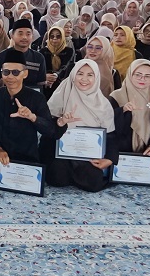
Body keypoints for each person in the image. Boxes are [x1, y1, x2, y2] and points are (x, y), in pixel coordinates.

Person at [0, 48, 58, 191]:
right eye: (6, 72)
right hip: (0, 154)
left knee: (31, 184)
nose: (10, 77)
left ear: (25, 73)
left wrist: (32, 117)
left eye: (15, 72)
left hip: (26, 155)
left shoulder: (37, 98)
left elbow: (50, 130)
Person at [45, 59, 118, 192]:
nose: (84, 79)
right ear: (73, 75)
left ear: (96, 77)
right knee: (57, 178)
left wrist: (110, 159)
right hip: (61, 152)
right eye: (80, 73)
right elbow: (47, 129)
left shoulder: (104, 104)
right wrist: (61, 122)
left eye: (90, 75)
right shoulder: (62, 95)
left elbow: (111, 135)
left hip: (88, 155)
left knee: (94, 182)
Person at [110, 59, 150, 156]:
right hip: (120, 151)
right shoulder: (116, 96)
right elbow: (108, 123)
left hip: (147, 152)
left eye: (147, 76)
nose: (142, 79)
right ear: (130, 75)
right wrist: (123, 110)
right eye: (138, 75)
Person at [0, 19, 46, 90]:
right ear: (12, 35)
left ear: (32, 36)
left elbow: (41, 84)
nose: (24, 37)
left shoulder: (38, 58)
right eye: (20, 34)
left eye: (28, 34)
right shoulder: (1, 57)